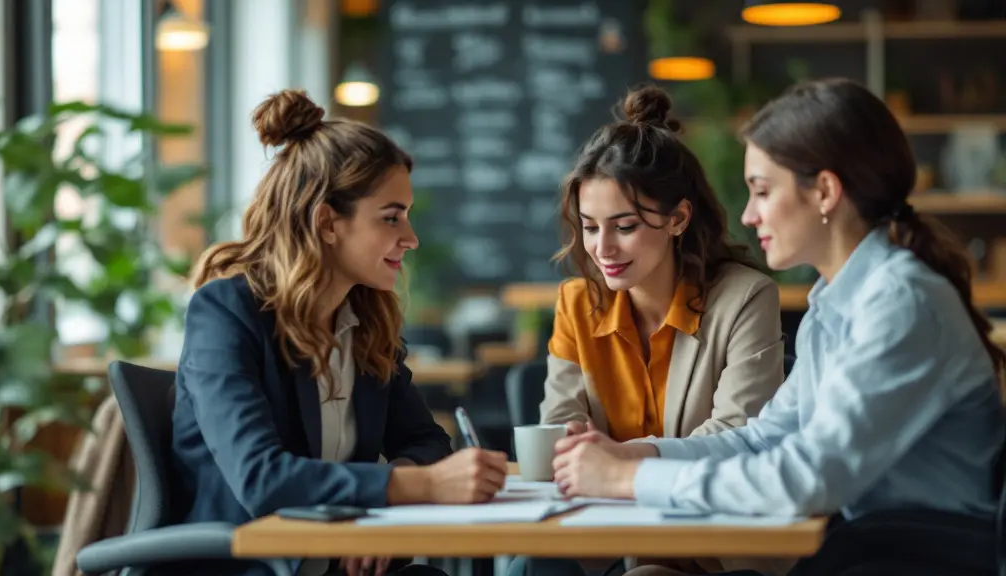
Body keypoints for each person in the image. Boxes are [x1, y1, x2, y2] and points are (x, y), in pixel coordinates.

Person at [549, 77, 1006, 575]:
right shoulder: (837, 301)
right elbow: (761, 439)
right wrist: (643, 452)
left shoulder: (899, 302)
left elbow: (805, 480)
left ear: (826, 191)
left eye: (763, 192)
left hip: (914, 559)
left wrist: (628, 480)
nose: (748, 215)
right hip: (865, 550)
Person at [170, 89, 509, 576]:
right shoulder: (227, 312)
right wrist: (420, 488)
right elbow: (261, 478)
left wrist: (377, 512)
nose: (410, 238)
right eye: (391, 218)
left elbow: (425, 440)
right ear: (328, 223)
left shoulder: (364, 321)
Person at [541, 84, 785, 444]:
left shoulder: (746, 300)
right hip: (602, 499)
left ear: (678, 219)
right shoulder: (577, 303)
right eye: (590, 227)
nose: (602, 248)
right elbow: (559, 422)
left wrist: (623, 460)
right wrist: (568, 436)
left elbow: (740, 435)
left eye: (625, 226)